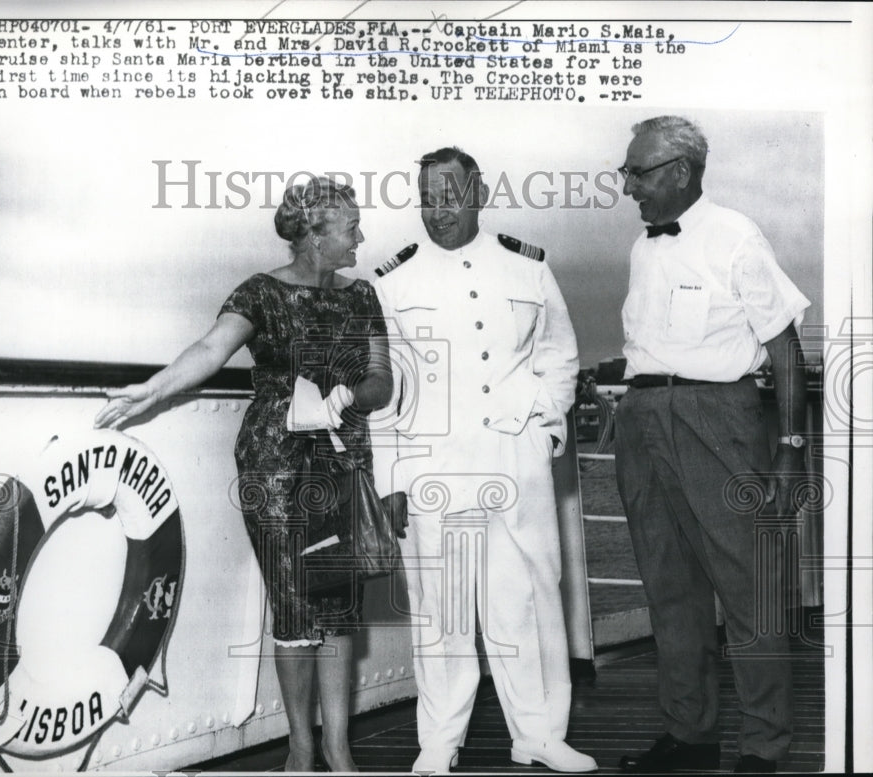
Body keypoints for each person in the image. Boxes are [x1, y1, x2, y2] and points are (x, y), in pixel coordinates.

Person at [94, 177, 392, 773]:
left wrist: (349, 395)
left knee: (337, 606)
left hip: (340, 457)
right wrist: (149, 392)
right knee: (294, 603)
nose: (361, 235)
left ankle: (338, 748)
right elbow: (209, 352)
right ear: (313, 236)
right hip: (274, 462)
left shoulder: (362, 295)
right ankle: (301, 749)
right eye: (350, 226)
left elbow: (382, 381)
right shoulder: (260, 293)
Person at [374, 147, 597, 774]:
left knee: (524, 599)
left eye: (449, 194)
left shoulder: (527, 269)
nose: (437, 209)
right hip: (432, 469)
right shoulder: (395, 281)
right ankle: (439, 744)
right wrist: (390, 479)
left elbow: (560, 355)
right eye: (426, 197)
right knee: (441, 611)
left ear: (477, 192)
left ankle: (539, 736)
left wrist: (544, 426)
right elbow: (386, 388)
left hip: (513, 460)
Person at [612, 116, 810, 774]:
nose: (628, 185)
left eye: (636, 172)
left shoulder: (736, 236)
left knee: (751, 593)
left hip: (717, 418)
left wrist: (788, 447)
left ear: (679, 171)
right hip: (643, 418)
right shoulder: (644, 248)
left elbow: (783, 346)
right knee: (672, 591)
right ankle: (690, 735)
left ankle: (763, 748)